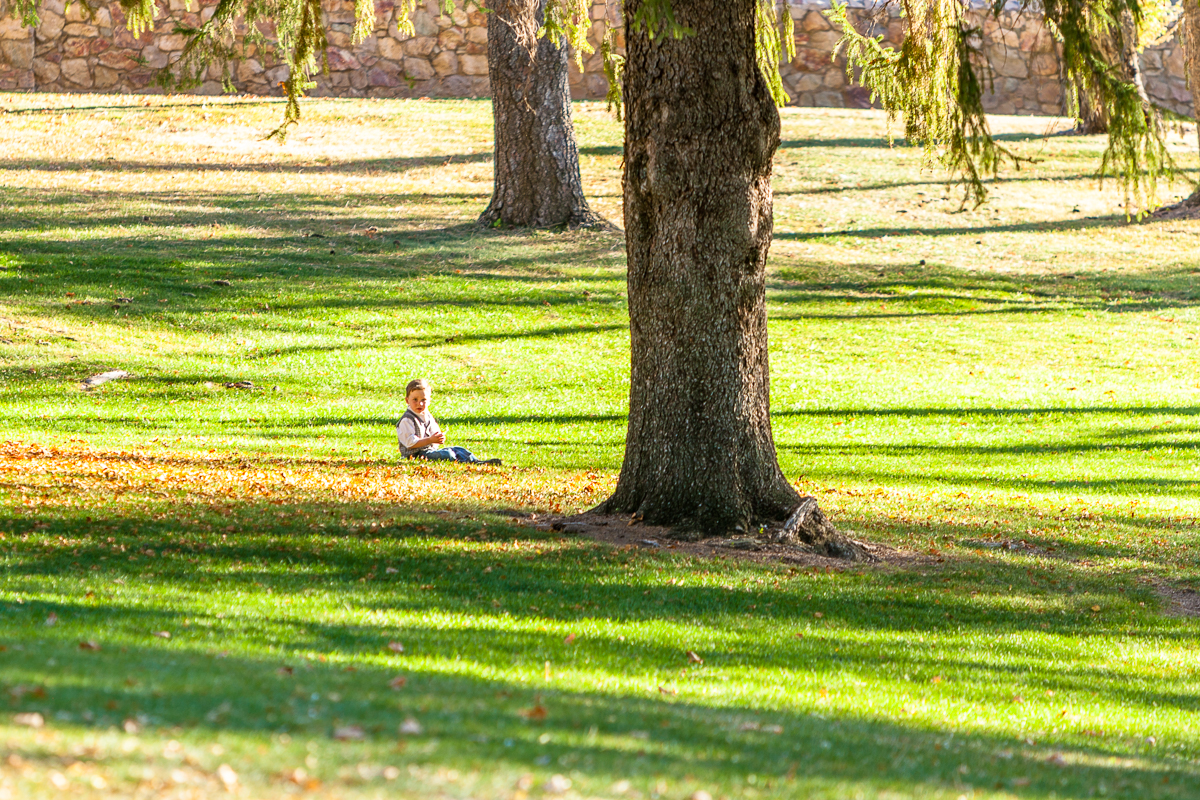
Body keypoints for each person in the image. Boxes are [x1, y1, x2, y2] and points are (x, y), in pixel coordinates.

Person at [396, 379, 501, 464]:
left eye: (423, 400)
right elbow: (410, 443)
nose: (420, 404)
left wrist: (438, 437)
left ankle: (476, 461)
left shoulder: (427, 416)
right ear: (407, 400)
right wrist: (430, 440)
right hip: (416, 455)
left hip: (429, 451)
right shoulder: (407, 420)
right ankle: (462, 462)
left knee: (458, 449)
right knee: (447, 454)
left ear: (429, 401)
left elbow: (434, 432)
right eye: (415, 400)